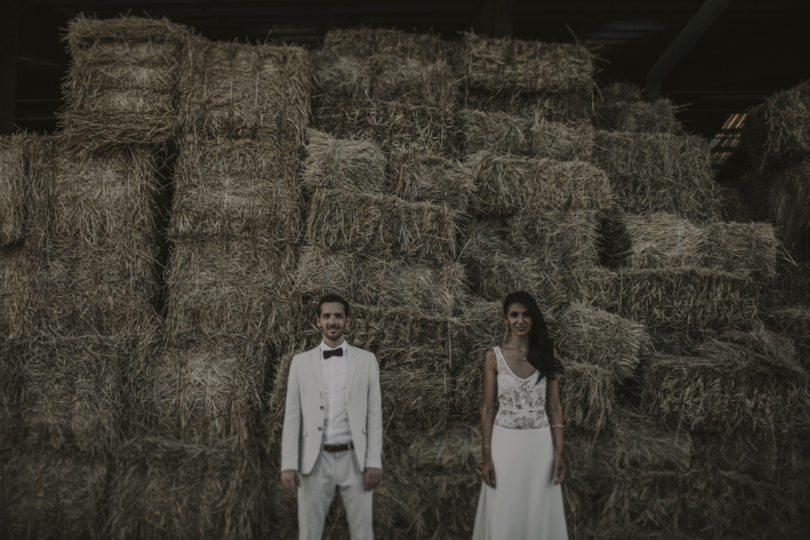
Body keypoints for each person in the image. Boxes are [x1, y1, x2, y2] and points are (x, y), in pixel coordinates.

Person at [280, 294, 383, 540]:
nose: (332, 321)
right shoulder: (300, 363)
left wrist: (373, 461)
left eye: (338, 316)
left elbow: (374, 415)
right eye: (326, 316)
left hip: (355, 460)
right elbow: (292, 416)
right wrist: (289, 464)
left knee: (363, 533)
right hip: (314, 462)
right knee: (309, 533)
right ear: (318, 321)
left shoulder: (367, 361)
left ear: (347, 320)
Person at [472, 291, 568, 539]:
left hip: (539, 443)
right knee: (505, 505)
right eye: (514, 315)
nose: (520, 320)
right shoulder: (494, 356)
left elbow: (555, 407)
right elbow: (487, 409)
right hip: (505, 443)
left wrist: (559, 453)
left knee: (538, 505)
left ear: (533, 318)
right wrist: (485, 457)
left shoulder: (548, 353)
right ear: (506, 319)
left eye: (526, 314)